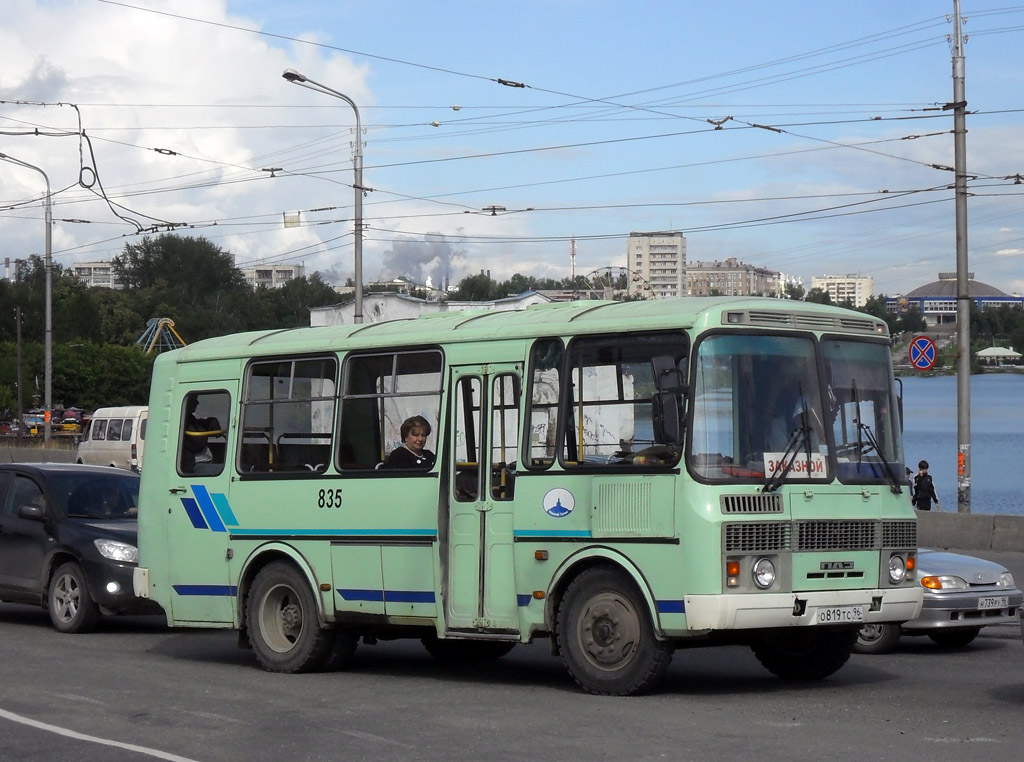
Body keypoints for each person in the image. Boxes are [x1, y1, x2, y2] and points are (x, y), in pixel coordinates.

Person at [181, 396, 222, 473]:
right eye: (194, 399)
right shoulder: (183, 419)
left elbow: (201, 422)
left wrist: (213, 420)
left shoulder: (191, 417)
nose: (197, 403)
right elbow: (197, 443)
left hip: (205, 461)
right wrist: (205, 432)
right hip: (195, 465)